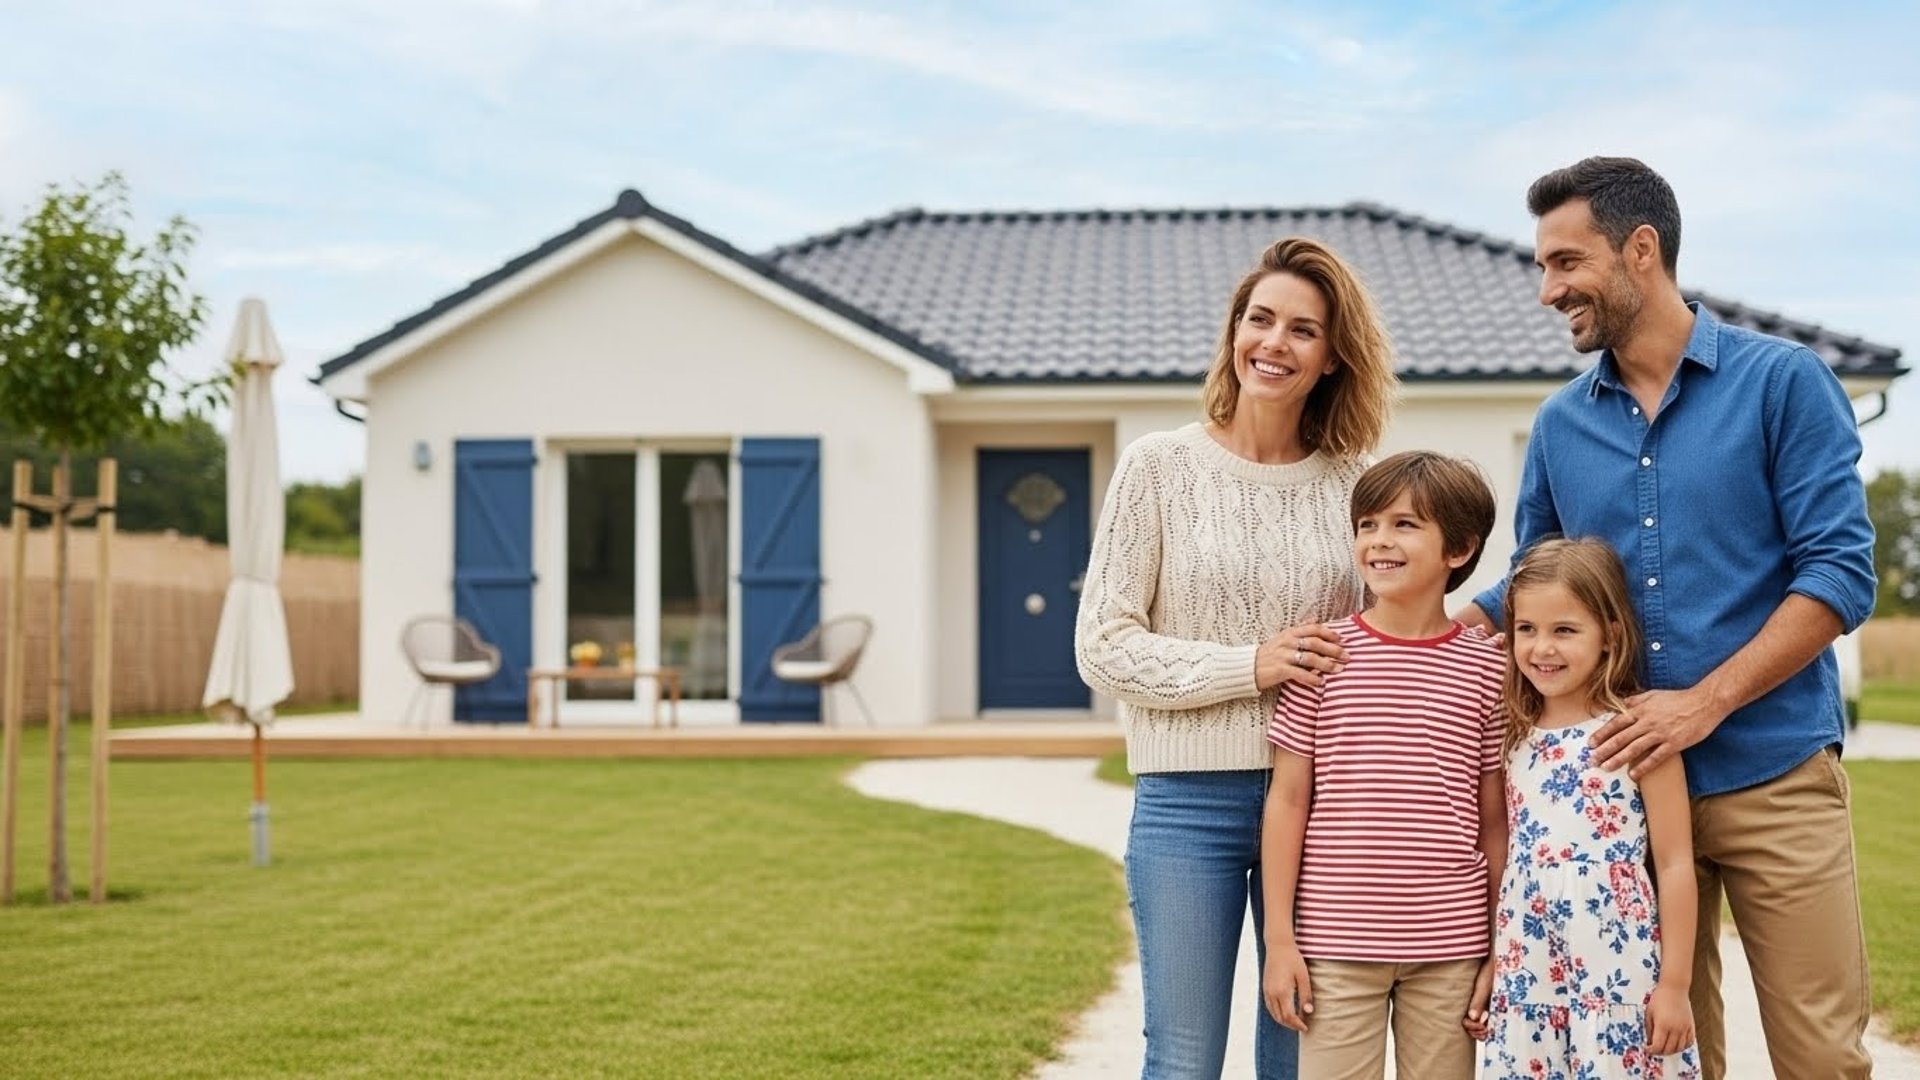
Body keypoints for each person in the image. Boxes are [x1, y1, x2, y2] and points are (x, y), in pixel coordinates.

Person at [1458, 156, 1877, 1078]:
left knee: (1821, 1054)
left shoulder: (1783, 384)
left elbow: (1841, 575)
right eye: (1543, 266)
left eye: (1566, 262)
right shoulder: (1565, 425)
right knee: (1665, 1056)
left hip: (1774, 772)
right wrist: (1407, 640)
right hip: (1625, 804)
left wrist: (1706, 701)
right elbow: (1529, 588)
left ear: (1640, 250)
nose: (1547, 289)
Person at [1075, 236, 1398, 1079]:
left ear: (1332, 358)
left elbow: (1380, 640)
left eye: (1303, 330)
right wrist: (1247, 666)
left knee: (1297, 1056)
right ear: (1233, 333)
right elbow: (1102, 648)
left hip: (1325, 804)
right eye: (1260, 320)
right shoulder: (1157, 467)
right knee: (1182, 1059)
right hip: (1187, 805)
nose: (1274, 343)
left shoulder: (1354, 484)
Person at [1261, 451, 1507, 1080]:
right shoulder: (1322, 656)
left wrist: (1498, 949)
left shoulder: (1487, 670)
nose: (1379, 541)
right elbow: (1288, 799)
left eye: (1404, 524)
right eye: (1367, 524)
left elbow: (1493, 819)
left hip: (1451, 946)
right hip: (1336, 945)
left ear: (1458, 550)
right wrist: (1280, 940)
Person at [1468, 538, 1700, 1078]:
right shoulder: (1511, 736)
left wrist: (1674, 986)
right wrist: (1495, 962)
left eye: (1564, 630)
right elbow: (1504, 858)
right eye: (1526, 629)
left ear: (1609, 636)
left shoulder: (1637, 734)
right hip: (1528, 967)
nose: (1542, 648)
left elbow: (1674, 864)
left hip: (1616, 968)